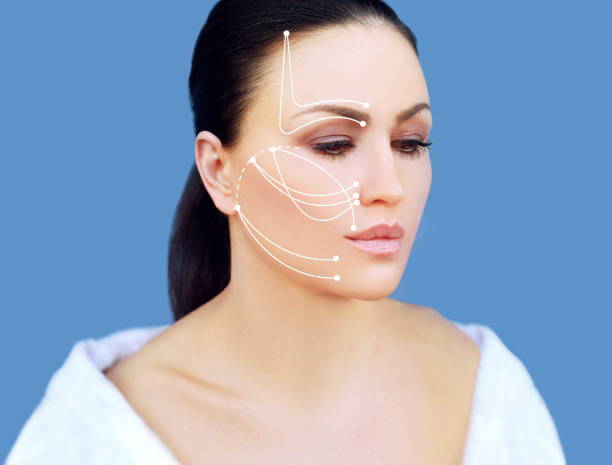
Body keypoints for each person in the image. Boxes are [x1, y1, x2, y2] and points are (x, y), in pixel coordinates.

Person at [5, 0, 568, 464]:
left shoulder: (485, 384)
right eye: (333, 145)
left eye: (409, 143)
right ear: (219, 171)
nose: (389, 185)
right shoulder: (98, 433)